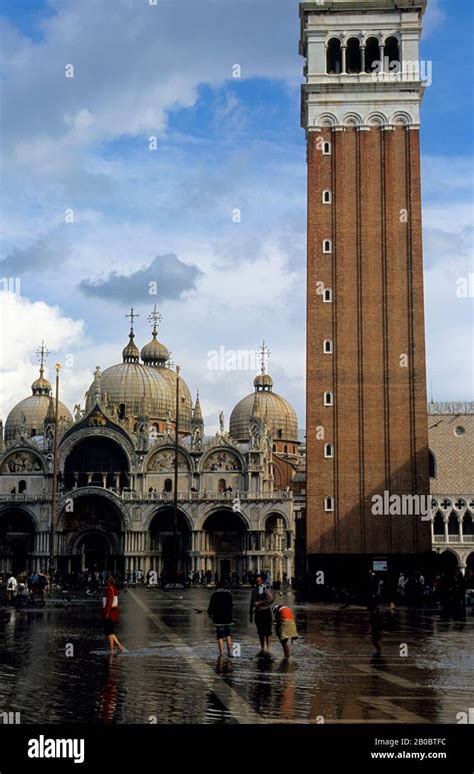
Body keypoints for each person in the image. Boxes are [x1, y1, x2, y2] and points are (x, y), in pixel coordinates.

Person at [207, 580, 233, 657]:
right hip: (228, 618)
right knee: (228, 635)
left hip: (218, 618)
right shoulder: (228, 594)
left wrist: (209, 613)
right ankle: (229, 652)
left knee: (220, 636)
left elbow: (211, 606)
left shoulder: (214, 595)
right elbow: (231, 606)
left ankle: (221, 653)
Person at [249, 574, 274, 654]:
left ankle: (269, 648)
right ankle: (263, 648)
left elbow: (270, 599)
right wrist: (250, 614)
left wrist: (259, 603)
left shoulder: (263, 588)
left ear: (262, 581)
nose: (258, 582)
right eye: (256, 581)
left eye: (259, 581)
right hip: (258, 613)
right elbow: (253, 602)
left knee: (267, 632)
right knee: (260, 632)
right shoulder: (256, 589)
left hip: (265, 612)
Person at [102, 575, 124, 655]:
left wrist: (107, 613)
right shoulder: (113, 588)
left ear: (107, 581)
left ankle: (111, 649)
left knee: (108, 632)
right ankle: (119, 646)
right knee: (110, 631)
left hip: (110, 613)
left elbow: (109, 601)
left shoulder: (109, 589)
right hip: (112, 612)